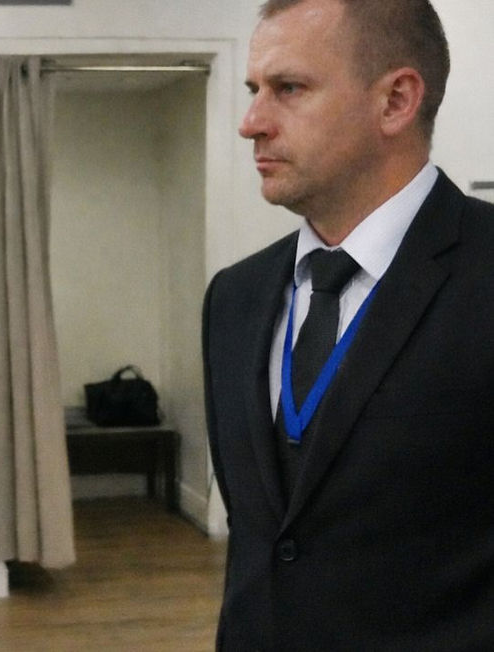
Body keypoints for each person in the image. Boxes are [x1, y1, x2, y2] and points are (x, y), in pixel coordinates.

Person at [202, 0, 494, 649]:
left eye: (289, 88)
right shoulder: (234, 298)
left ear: (395, 101)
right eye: (254, 90)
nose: (251, 123)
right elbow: (261, 545)